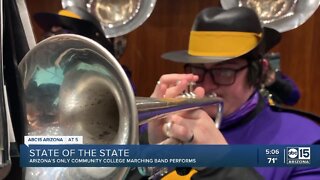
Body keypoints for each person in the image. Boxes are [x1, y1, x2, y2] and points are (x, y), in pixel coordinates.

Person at [147, 7, 320, 180]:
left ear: (259, 71)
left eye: (224, 72)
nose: (207, 86)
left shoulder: (305, 141)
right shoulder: (166, 126)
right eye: (197, 71)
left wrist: (222, 163)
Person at [33, 7, 137, 94]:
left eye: (62, 32)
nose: (53, 41)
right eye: (49, 34)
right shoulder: (41, 74)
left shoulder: (114, 76)